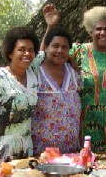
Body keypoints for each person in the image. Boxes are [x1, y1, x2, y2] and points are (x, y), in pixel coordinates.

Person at [42, 4, 106, 152]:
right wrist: (51, 26)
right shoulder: (78, 51)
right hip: (85, 126)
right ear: (91, 30)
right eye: (99, 29)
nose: (103, 33)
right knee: (86, 167)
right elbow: (43, 57)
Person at [0, 26, 40, 167]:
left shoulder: (33, 73)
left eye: (31, 50)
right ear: (10, 53)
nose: (27, 54)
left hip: (24, 151)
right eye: (21, 49)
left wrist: (51, 26)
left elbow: (50, 52)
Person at [31, 27, 81, 156]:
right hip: (41, 152)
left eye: (64, 47)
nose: (60, 50)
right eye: (55, 46)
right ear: (46, 48)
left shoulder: (74, 73)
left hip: (71, 152)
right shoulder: (35, 73)